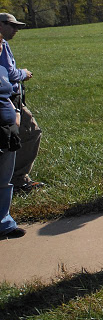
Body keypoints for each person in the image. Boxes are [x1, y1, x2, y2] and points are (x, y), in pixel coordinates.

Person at [0, 13, 43, 194]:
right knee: (31, 133)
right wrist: (24, 73)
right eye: (12, 25)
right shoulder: (1, 45)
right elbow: (8, 74)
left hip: (10, 98)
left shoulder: (4, 44)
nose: (16, 29)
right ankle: (18, 179)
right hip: (7, 100)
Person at [0, 37, 24, 240]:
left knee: (4, 180)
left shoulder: (1, 70)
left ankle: (4, 223)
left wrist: (15, 111)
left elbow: (8, 92)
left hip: (7, 129)